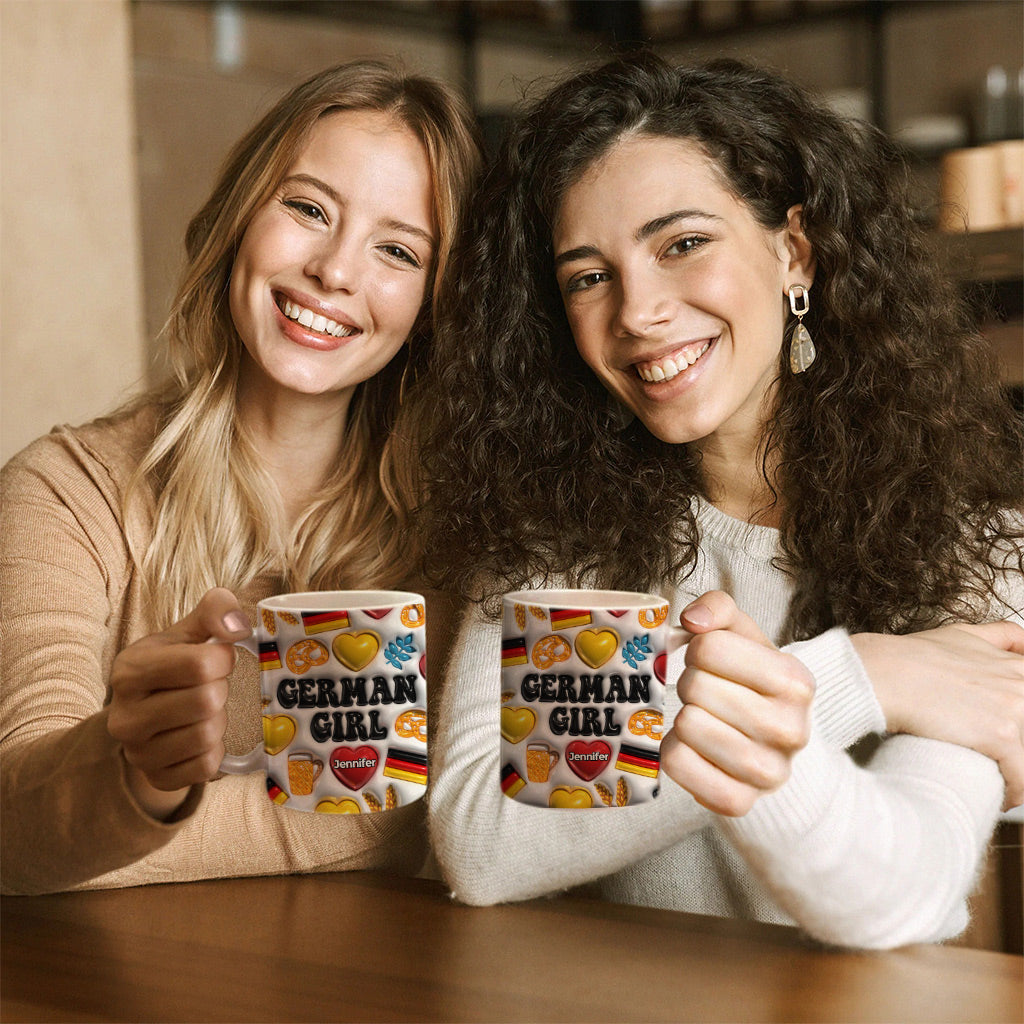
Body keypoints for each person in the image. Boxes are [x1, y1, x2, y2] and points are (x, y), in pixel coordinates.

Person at [413, 53, 1024, 948]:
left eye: (682, 244)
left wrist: (773, 694)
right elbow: (483, 845)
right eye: (588, 275)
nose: (637, 311)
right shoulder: (554, 542)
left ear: (794, 252)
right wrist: (858, 677)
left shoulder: (977, 547)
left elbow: (899, 891)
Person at [0, 60, 482, 895]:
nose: (335, 270)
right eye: (307, 209)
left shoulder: (456, 533)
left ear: (434, 304)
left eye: (397, 250)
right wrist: (137, 775)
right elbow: (17, 825)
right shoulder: (66, 492)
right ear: (238, 220)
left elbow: (407, 812)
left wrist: (126, 828)